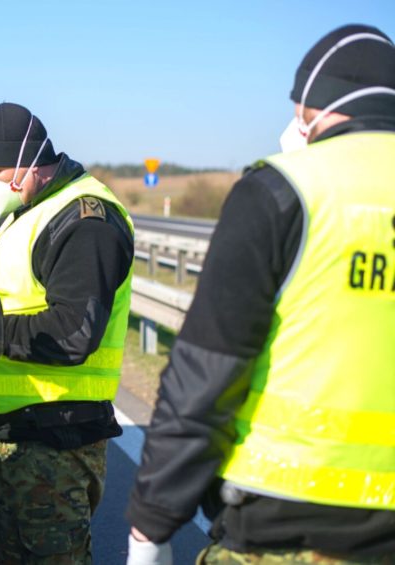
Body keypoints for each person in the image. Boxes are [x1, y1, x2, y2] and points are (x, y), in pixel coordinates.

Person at [125, 24, 395, 565]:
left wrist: (152, 524)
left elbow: (206, 376)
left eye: (297, 108)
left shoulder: (284, 190)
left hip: (286, 527)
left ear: (316, 106)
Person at [0, 103, 135, 563]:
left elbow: (73, 332)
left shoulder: (85, 221)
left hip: (56, 442)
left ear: (31, 162)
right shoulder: (32, 210)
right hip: (21, 435)